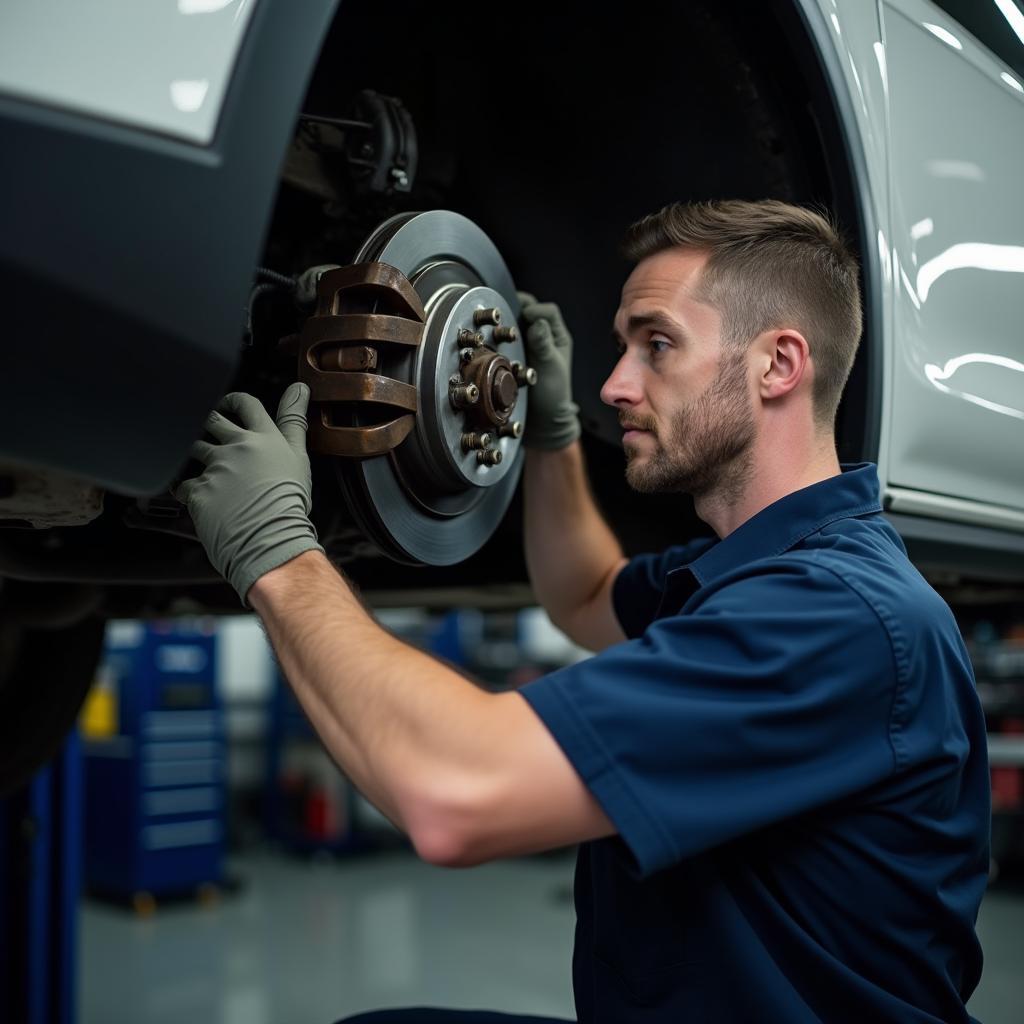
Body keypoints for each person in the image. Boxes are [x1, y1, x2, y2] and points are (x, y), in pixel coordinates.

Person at [175, 199, 990, 1023]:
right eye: (622, 347)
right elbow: (585, 594)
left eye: (657, 343)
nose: (614, 384)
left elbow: (453, 793)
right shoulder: (767, 572)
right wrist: (550, 433)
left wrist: (279, 553)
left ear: (778, 365)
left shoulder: (833, 616)